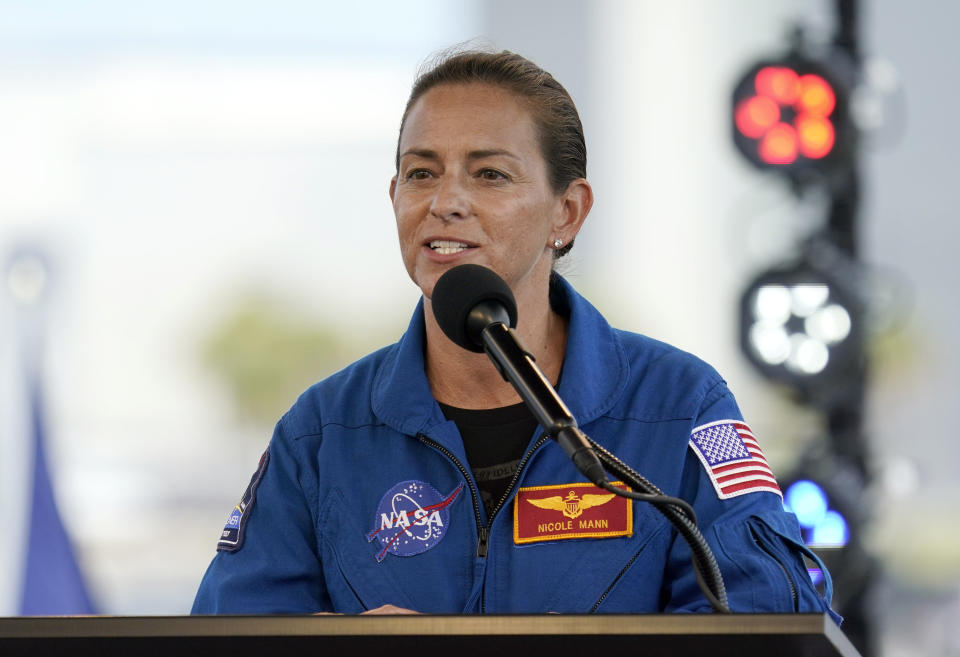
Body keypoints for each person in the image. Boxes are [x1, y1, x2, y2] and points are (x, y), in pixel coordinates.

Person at [191, 49, 839, 619]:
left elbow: (770, 618)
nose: (445, 200)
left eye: (488, 174)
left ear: (567, 210)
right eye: (421, 173)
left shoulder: (676, 405)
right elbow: (230, 636)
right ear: (394, 197)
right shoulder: (323, 433)